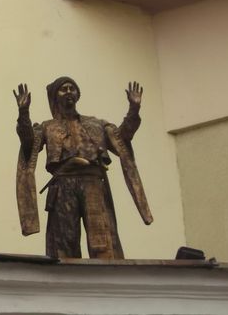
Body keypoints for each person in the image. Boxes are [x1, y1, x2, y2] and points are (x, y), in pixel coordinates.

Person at [13, 78, 152, 259]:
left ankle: (108, 280)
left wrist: (134, 110)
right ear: (55, 97)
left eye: (72, 88)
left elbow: (123, 137)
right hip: (63, 185)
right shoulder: (48, 127)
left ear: (78, 94)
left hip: (93, 183)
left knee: (103, 241)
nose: (69, 92)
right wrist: (23, 114)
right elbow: (28, 143)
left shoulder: (97, 124)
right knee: (63, 243)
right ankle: (63, 282)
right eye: (64, 89)